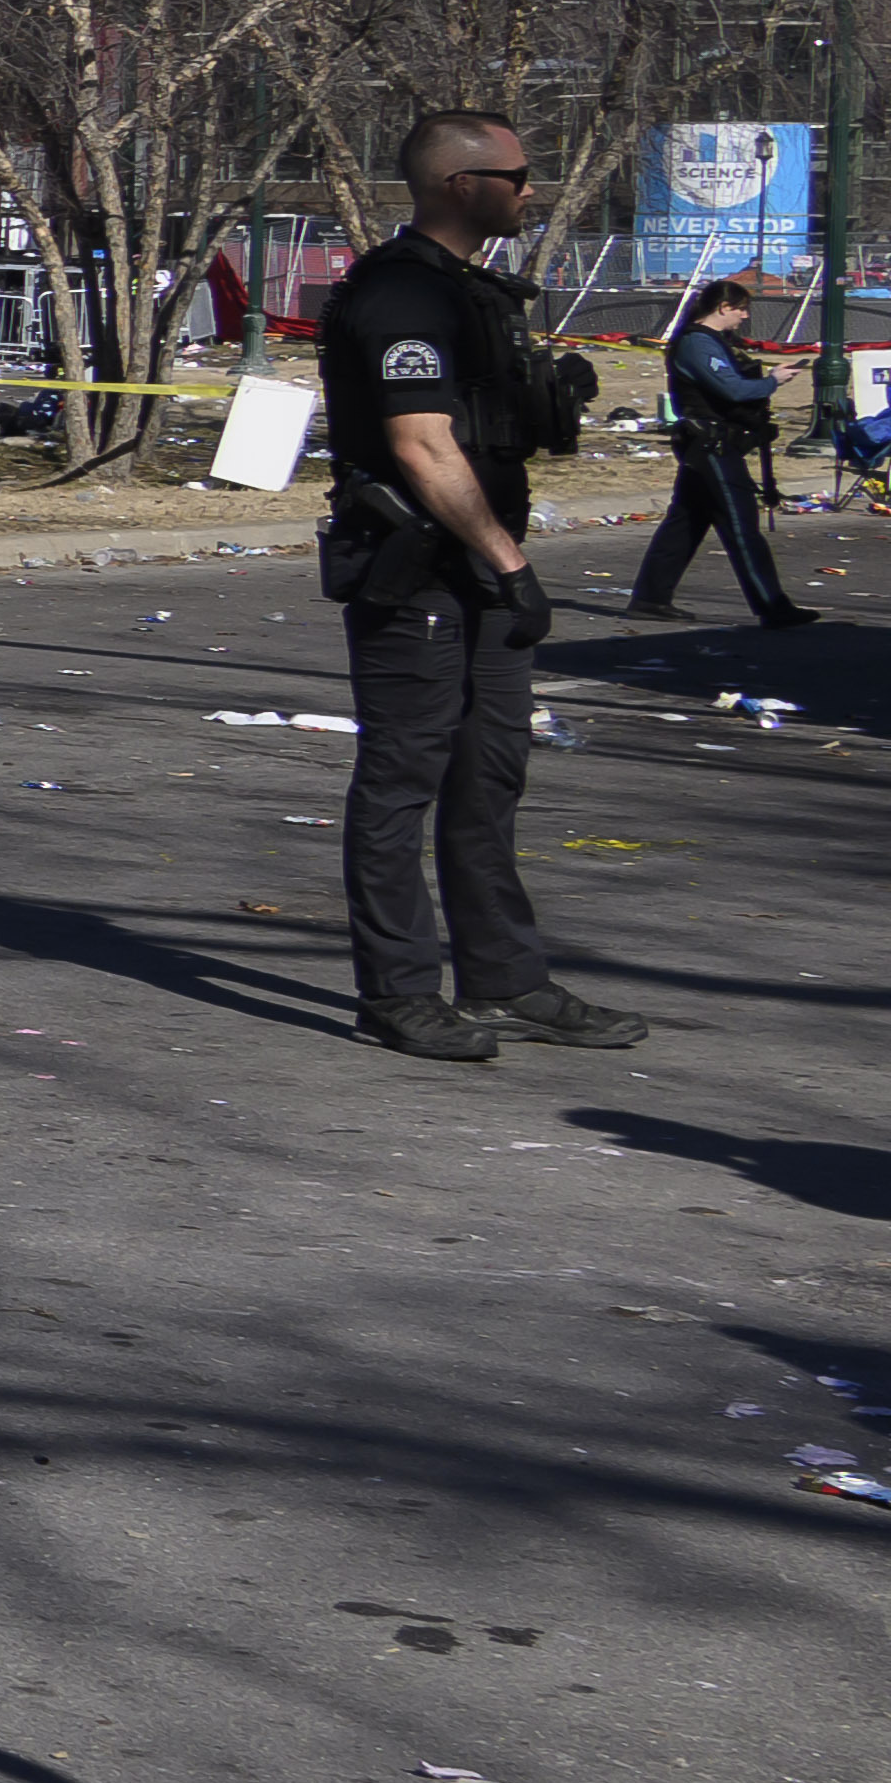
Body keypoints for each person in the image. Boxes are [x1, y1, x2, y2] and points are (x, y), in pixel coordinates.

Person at [315, 107, 660, 1068]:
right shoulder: (399, 295)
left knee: (488, 779)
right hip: (420, 573)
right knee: (401, 784)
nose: (529, 189)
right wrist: (506, 562)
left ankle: (505, 979)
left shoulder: (472, 291)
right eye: (515, 175)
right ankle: (398, 993)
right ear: (460, 185)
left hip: (478, 571)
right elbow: (418, 442)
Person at [622, 276, 815, 629]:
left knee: (686, 523)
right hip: (711, 445)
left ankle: (650, 598)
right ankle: (773, 606)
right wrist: (773, 381)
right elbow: (732, 389)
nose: (744, 317)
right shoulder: (697, 343)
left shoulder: (710, 341)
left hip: (708, 444)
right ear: (722, 307)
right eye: (740, 309)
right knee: (741, 527)